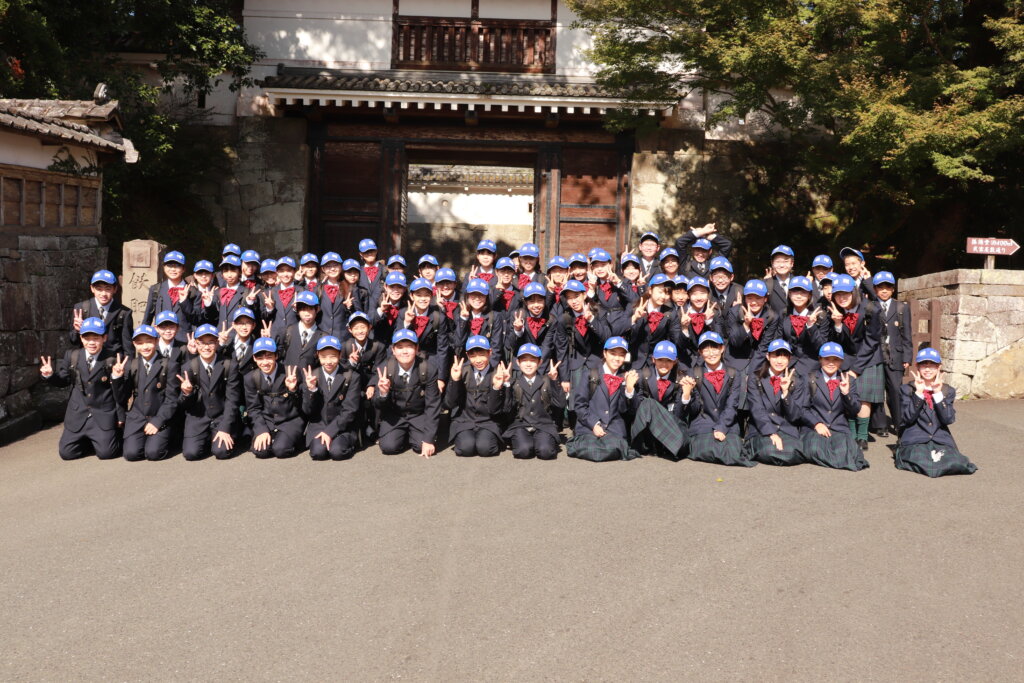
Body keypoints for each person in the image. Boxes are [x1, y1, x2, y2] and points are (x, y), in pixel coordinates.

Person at [40, 317, 122, 460]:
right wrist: (50, 375)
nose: (91, 342)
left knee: (107, 453)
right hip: (78, 413)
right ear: (81, 339)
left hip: (101, 414)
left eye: (96, 338)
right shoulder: (72, 356)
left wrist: (117, 377)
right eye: (87, 338)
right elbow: (64, 380)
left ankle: (107, 439)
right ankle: (91, 442)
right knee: (67, 453)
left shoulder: (113, 359)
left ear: (104, 338)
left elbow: (119, 392)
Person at [894, 347, 977, 477]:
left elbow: (948, 419)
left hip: (940, 439)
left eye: (932, 365)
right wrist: (919, 393)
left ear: (939, 367)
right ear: (917, 367)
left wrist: (938, 393)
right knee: (920, 461)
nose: (927, 369)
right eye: (924, 365)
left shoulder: (947, 391)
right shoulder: (907, 389)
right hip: (916, 439)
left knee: (956, 463)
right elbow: (907, 418)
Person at [827, 273, 883, 450]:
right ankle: (851, 434)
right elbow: (839, 343)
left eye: (845, 293)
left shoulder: (871, 309)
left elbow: (872, 341)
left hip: (869, 358)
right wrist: (838, 324)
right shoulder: (834, 312)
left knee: (864, 397)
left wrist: (856, 369)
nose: (841, 298)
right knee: (848, 395)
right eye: (838, 294)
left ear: (854, 292)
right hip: (847, 358)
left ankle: (862, 436)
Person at [566, 336, 639, 462]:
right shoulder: (590, 374)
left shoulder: (625, 377)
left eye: (621, 355)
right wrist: (594, 424)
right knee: (592, 448)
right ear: (605, 353)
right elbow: (580, 405)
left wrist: (629, 389)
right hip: (588, 426)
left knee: (614, 447)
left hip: (613, 428)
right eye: (613, 353)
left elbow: (625, 410)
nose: (617, 358)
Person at [370, 329, 442, 457]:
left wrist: (429, 440)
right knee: (389, 447)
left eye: (409, 346)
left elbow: (433, 405)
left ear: (417, 348)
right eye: (400, 347)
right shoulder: (385, 369)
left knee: (421, 446)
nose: (405, 351)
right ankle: (402, 436)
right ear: (393, 350)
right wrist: (383, 393)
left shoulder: (428, 369)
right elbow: (377, 405)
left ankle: (413, 436)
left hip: (418, 415)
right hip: (394, 416)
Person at [684, 331, 750, 466]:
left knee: (733, 453)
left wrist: (721, 427)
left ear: (722, 349)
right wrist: (687, 394)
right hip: (702, 425)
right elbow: (695, 408)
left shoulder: (734, 374)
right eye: (706, 349)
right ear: (700, 352)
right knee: (707, 450)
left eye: (714, 348)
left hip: (728, 424)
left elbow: (732, 405)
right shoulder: (694, 373)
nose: (711, 353)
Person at [799, 342, 868, 471]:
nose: (831, 363)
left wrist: (846, 393)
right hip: (814, 428)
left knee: (848, 451)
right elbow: (802, 408)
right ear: (820, 359)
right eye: (827, 359)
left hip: (838, 428)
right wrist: (816, 424)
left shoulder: (848, 380)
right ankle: (838, 460)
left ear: (841, 361)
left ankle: (837, 458)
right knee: (814, 448)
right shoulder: (808, 378)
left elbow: (855, 410)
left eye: (836, 359)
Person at [177, 323, 242, 460]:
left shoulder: (229, 365)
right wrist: (187, 393)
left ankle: (223, 435)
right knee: (191, 454)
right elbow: (183, 405)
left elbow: (232, 400)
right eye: (202, 343)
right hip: (198, 419)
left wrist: (225, 428)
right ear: (196, 343)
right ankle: (207, 439)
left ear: (217, 343)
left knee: (221, 452)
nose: (206, 347)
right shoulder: (188, 367)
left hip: (221, 417)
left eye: (211, 342)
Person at [116, 325, 179, 462]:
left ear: (156, 341)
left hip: (159, 416)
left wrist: (158, 421)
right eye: (140, 343)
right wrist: (117, 378)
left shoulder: (169, 365)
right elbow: (122, 396)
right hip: (137, 417)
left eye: (149, 341)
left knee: (153, 453)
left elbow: (172, 400)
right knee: (131, 454)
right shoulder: (131, 365)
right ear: (134, 344)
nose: (145, 346)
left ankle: (165, 440)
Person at [498, 343, 565, 460]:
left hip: (543, 425)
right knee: (523, 451)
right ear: (518, 362)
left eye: (533, 360)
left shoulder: (547, 380)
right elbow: (507, 409)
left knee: (546, 452)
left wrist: (554, 380)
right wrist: (506, 384)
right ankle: (527, 441)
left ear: (540, 362)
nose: (528, 364)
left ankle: (540, 441)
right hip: (521, 425)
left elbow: (560, 404)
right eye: (524, 360)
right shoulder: (514, 382)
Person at [302, 335, 364, 461]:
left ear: (340, 355)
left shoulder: (351, 376)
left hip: (343, 427)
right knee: (318, 453)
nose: (328, 361)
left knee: (337, 452)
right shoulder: (312, 376)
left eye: (333, 356)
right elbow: (307, 410)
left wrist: (330, 431)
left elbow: (350, 410)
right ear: (318, 355)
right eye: (324, 357)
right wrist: (311, 389)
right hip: (319, 425)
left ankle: (349, 443)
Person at [243, 337, 306, 459]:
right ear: (254, 358)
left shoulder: (290, 372)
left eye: (269, 357)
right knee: (261, 452)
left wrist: (292, 390)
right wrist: (261, 430)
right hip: (267, 421)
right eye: (260, 358)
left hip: (289, 421)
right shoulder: (250, 378)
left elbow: (301, 405)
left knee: (281, 450)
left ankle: (294, 440)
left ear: (276, 356)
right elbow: (253, 408)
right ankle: (274, 439)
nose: (265, 362)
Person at [745, 339, 805, 466]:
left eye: (784, 356)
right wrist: (771, 432)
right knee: (768, 450)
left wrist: (785, 393)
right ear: (768, 356)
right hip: (762, 427)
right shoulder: (755, 378)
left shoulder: (796, 381)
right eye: (776, 356)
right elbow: (757, 409)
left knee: (793, 452)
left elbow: (795, 415)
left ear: (789, 359)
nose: (779, 361)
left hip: (786, 428)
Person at [445, 336, 506, 457]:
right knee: (466, 448)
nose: (478, 360)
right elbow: (449, 403)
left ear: (490, 353)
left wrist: (496, 387)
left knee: (485, 449)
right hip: (465, 421)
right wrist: (455, 380)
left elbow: (495, 410)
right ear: (467, 356)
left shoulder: (497, 373)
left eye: (482, 355)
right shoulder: (462, 371)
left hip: (488, 422)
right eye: (473, 356)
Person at [870, 271, 913, 437]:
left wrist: (907, 356)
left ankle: (899, 423)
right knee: (877, 390)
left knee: (895, 390)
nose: (884, 290)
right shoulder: (870, 306)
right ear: (875, 289)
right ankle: (880, 425)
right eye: (880, 287)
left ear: (893, 289)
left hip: (896, 354)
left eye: (887, 287)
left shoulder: (901, 307)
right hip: (876, 354)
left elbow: (906, 334)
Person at [631, 340, 689, 460]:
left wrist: (686, 395)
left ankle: (671, 445)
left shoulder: (681, 379)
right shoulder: (642, 376)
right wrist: (629, 389)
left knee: (682, 444)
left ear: (675, 361)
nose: (664, 364)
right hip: (647, 430)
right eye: (660, 360)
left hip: (668, 425)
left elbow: (679, 414)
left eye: (668, 360)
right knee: (648, 403)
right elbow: (636, 410)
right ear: (653, 359)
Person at [70, 269, 133, 357]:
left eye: (108, 289)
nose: (103, 294)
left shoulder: (124, 312)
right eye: (99, 289)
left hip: (113, 360)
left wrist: (127, 363)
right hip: (89, 360)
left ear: (115, 289)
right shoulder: (81, 309)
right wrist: (77, 330)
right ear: (92, 289)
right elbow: (74, 341)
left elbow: (128, 346)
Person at [627, 274, 680, 370]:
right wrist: (634, 319)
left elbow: (676, 340)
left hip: (658, 365)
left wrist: (685, 328)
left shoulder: (671, 313)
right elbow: (624, 334)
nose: (663, 296)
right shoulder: (634, 308)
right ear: (650, 290)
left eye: (667, 293)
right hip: (634, 363)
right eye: (660, 292)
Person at [143, 250, 198, 342]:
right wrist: (144, 339)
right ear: (164, 267)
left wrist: (184, 302)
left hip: (185, 342)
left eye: (177, 266)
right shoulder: (156, 289)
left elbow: (196, 319)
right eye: (169, 265)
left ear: (183, 269)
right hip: (161, 340)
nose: (173, 269)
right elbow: (147, 317)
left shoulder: (193, 292)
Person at [778, 276, 828, 375]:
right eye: (795, 292)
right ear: (789, 294)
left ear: (809, 295)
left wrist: (811, 326)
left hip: (812, 368)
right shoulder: (784, 313)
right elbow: (778, 339)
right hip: (787, 366)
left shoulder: (820, 316)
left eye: (803, 293)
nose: (799, 296)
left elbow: (822, 347)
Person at [454, 279, 504, 368]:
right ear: (467, 296)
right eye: (473, 295)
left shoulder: (495, 316)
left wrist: (489, 369)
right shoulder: (460, 314)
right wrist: (464, 319)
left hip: (487, 365)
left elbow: (496, 347)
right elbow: (458, 343)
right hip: (466, 366)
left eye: (481, 295)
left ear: (486, 297)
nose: (477, 299)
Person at [270, 290, 325, 371]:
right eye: (303, 309)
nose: (307, 314)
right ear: (297, 310)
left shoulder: (322, 337)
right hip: (288, 377)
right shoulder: (286, 332)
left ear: (317, 309)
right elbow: (277, 356)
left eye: (310, 309)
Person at [506, 282, 557, 368]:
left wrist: (537, 366)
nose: (536, 305)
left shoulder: (550, 319)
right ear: (526, 302)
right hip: (520, 365)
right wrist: (518, 330)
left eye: (540, 301)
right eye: (532, 301)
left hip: (542, 364)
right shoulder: (517, 316)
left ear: (545, 301)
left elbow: (546, 346)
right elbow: (511, 344)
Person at [763, 245, 796, 314]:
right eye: (778, 261)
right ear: (772, 263)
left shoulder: (799, 284)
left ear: (792, 263)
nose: (781, 265)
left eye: (785, 261)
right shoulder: (765, 285)